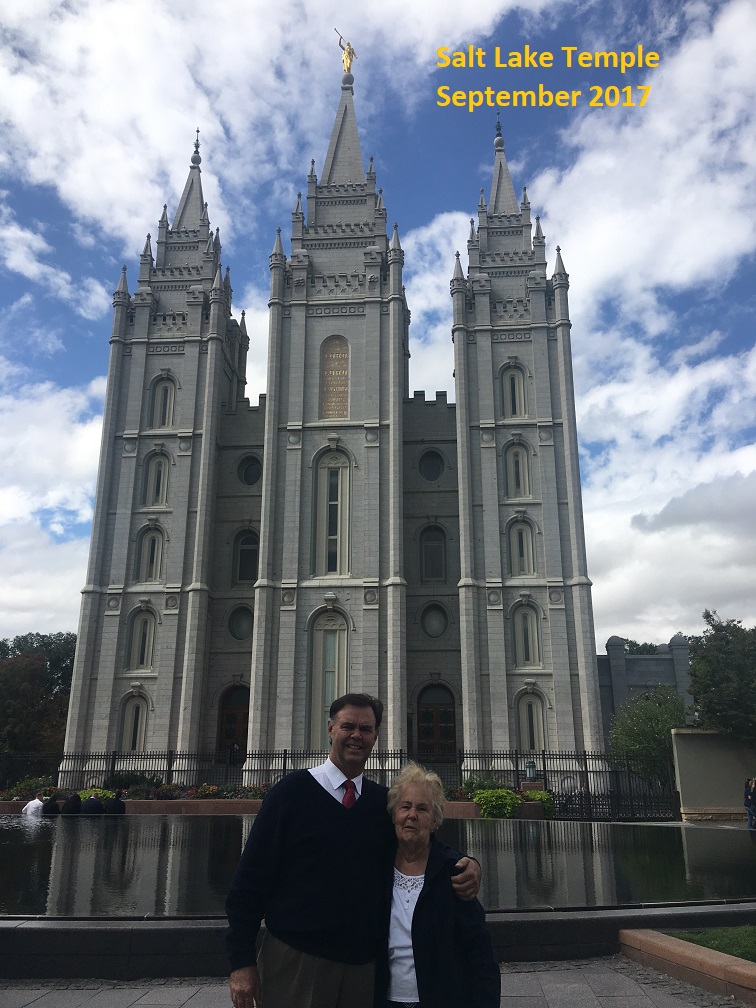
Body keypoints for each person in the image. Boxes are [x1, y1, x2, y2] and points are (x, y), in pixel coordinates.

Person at [226, 693, 481, 1008]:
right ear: (331, 729)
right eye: (348, 726)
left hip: (361, 970)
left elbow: (420, 845)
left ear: (375, 737)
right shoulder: (290, 794)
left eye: (366, 728)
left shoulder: (380, 803)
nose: (356, 735)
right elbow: (248, 886)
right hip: (296, 962)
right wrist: (241, 962)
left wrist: (468, 864)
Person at [375, 763, 500, 1008]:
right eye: (405, 807)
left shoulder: (454, 872)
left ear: (435, 820)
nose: (412, 815)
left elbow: (480, 955)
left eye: (423, 809)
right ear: (393, 814)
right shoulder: (376, 867)